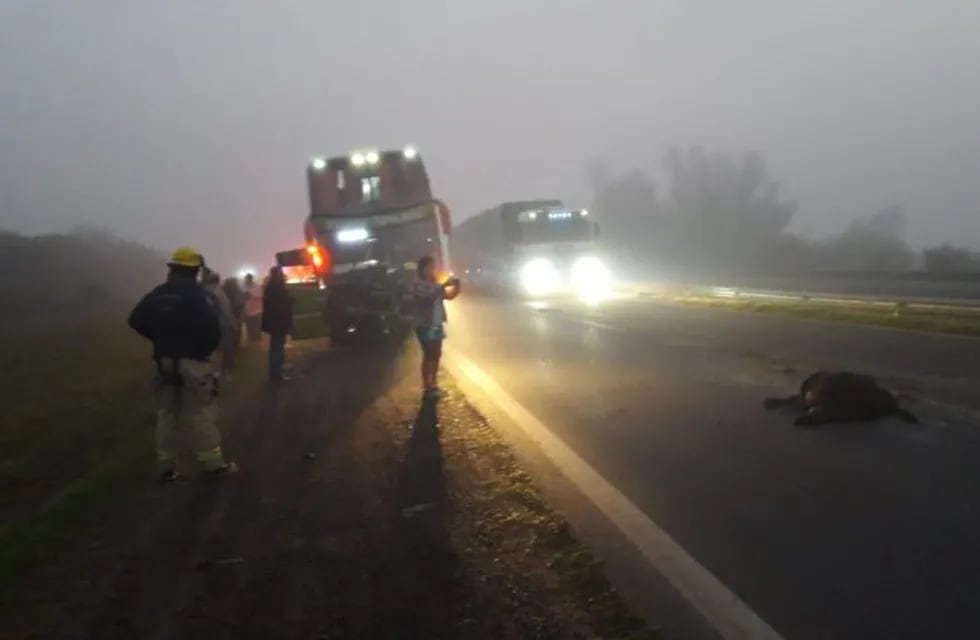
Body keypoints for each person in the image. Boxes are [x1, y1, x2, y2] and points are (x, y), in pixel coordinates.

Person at [128, 247, 238, 481]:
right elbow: (212, 330)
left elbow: (135, 319)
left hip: (164, 362)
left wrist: (159, 337)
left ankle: (165, 467)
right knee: (200, 412)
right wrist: (202, 350)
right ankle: (212, 465)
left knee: (167, 413)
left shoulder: (158, 293)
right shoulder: (198, 297)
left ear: (172, 269)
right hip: (193, 362)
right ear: (194, 270)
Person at [412, 255, 460, 399]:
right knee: (429, 354)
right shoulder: (418, 283)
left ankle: (434, 382)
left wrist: (457, 287)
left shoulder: (434, 282)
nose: (432, 270)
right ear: (423, 268)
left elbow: (447, 296)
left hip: (436, 323)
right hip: (425, 324)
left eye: (434, 267)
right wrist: (444, 285)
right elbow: (429, 295)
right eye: (430, 267)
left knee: (436, 354)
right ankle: (428, 385)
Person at [261, 266, 293, 382]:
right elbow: (282, 307)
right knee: (278, 348)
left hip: (274, 324)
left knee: (275, 348)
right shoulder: (277, 288)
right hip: (279, 324)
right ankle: (276, 375)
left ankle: (275, 373)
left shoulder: (270, 287)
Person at [202, 269, 237, 376]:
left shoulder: (202, 292)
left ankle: (211, 370)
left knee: (212, 349)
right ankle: (220, 371)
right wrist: (233, 324)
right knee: (222, 349)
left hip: (207, 325)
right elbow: (226, 310)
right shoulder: (219, 293)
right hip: (222, 324)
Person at [221, 277, 245, 368]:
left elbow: (241, 305)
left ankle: (228, 361)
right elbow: (240, 305)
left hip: (230, 320)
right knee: (230, 342)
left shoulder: (224, 292)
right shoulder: (233, 292)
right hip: (231, 320)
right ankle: (229, 362)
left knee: (230, 342)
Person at [243, 273, 263, 343]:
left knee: (257, 327)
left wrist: (252, 296)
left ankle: (257, 340)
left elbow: (261, 297)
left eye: (248, 279)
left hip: (257, 311)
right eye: (246, 279)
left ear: (251, 279)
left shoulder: (257, 286)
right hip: (247, 310)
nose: (247, 281)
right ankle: (251, 339)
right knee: (249, 327)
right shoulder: (243, 286)